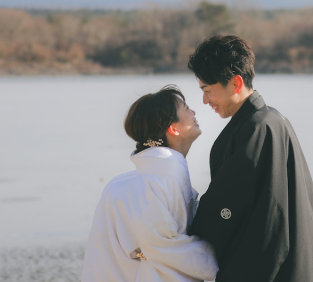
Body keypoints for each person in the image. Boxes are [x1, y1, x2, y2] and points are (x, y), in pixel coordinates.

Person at [187, 35, 313, 282]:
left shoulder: (255, 129)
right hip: (298, 262)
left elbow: (228, 209)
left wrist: (176, 237)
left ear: (236, 83)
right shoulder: (273, 121)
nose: (205, 101)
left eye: (207, 90)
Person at [81, 85, 218, 282]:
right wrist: (229, 260)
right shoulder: (150, 184)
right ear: (173, 128)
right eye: (186, 108)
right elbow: (164, 248)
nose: (194, 111)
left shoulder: (134, 184)